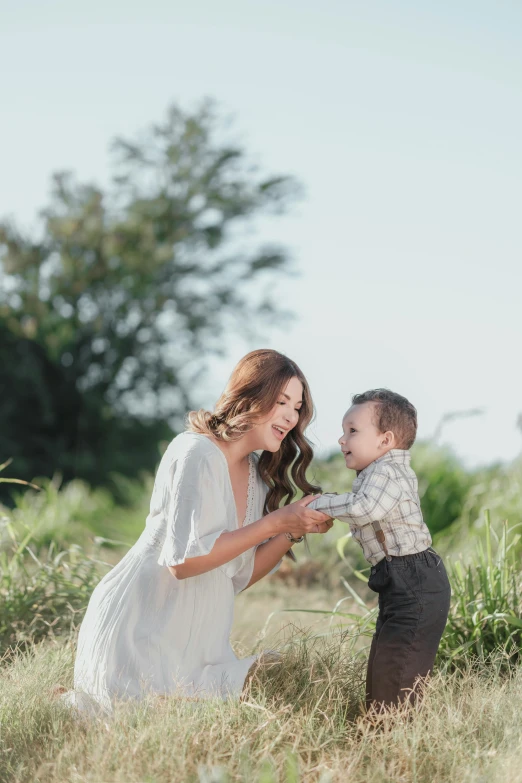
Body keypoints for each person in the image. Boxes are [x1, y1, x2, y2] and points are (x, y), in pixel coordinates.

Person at [61, 349, 332, 715]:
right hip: (146, 623)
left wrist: (293, 529)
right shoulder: (197, 453)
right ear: (249, 395)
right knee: (130, 725)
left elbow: (236, 574)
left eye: (297, 406)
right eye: (281, 400)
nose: (290, 414)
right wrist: (275, 522)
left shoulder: (258, 479)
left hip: (198, 641)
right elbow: (185, 562)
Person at [309, 389, 451, 711]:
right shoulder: (374, 472)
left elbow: (364, 509)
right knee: (383, 668)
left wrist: (319, 503)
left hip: (416, 581)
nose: (342, 440)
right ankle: (379, 736)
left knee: (396, 673)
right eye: (344, 431)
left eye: (353, 431)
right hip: (401, 582)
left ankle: (392, 743)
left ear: (385, 441)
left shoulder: (387, 472)